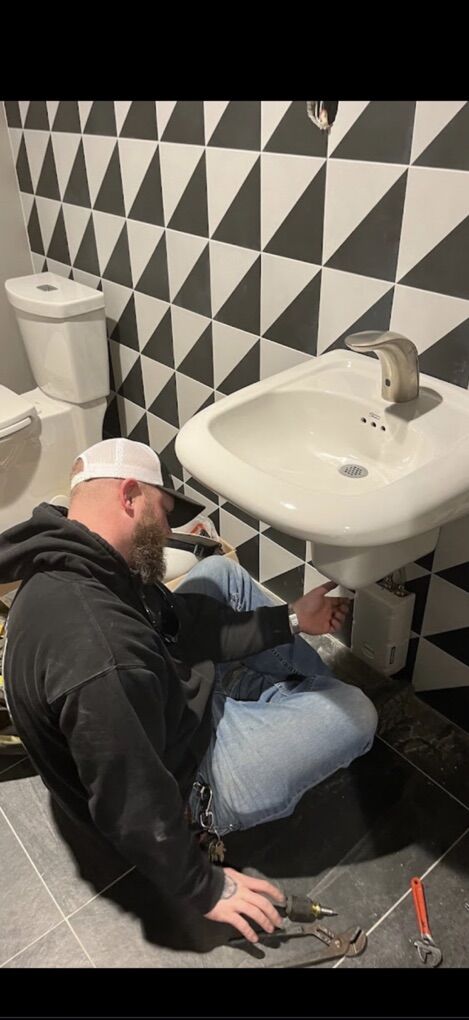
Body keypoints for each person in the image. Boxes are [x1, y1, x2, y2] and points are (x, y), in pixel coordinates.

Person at [0, 438, 377, 945]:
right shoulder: (100, 652)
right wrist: (205, 887)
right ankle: (276, 699)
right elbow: (131, 804)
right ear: (129, 495)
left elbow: (179, 623)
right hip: (184, 778)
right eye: (163, 510)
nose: (168, 529)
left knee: (220, 573)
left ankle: (269, 696)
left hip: (164, 701)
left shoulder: (79, 555)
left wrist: (290, 619)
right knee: (355, 713)